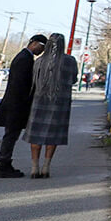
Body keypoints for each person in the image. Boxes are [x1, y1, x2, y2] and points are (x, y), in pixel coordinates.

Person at [0, 35, 47, 178]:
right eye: (41, 46)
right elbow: (22, 85)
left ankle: (4, 163)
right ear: (33, 43)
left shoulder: (24, 57)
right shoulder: (25, 59)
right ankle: (3, 165)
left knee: (11, 135)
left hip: (15, 103)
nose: (42, 50)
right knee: (11, 135)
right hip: (16, 104)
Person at [25, 33, 77, 179]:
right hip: (59, 103)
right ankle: (46, 167)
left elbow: (33, 81)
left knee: (36, 136)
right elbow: (73, 79)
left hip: (39, 102)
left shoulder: (40, 61)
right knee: (52, 136)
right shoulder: (70, 61)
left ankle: (34, 167)